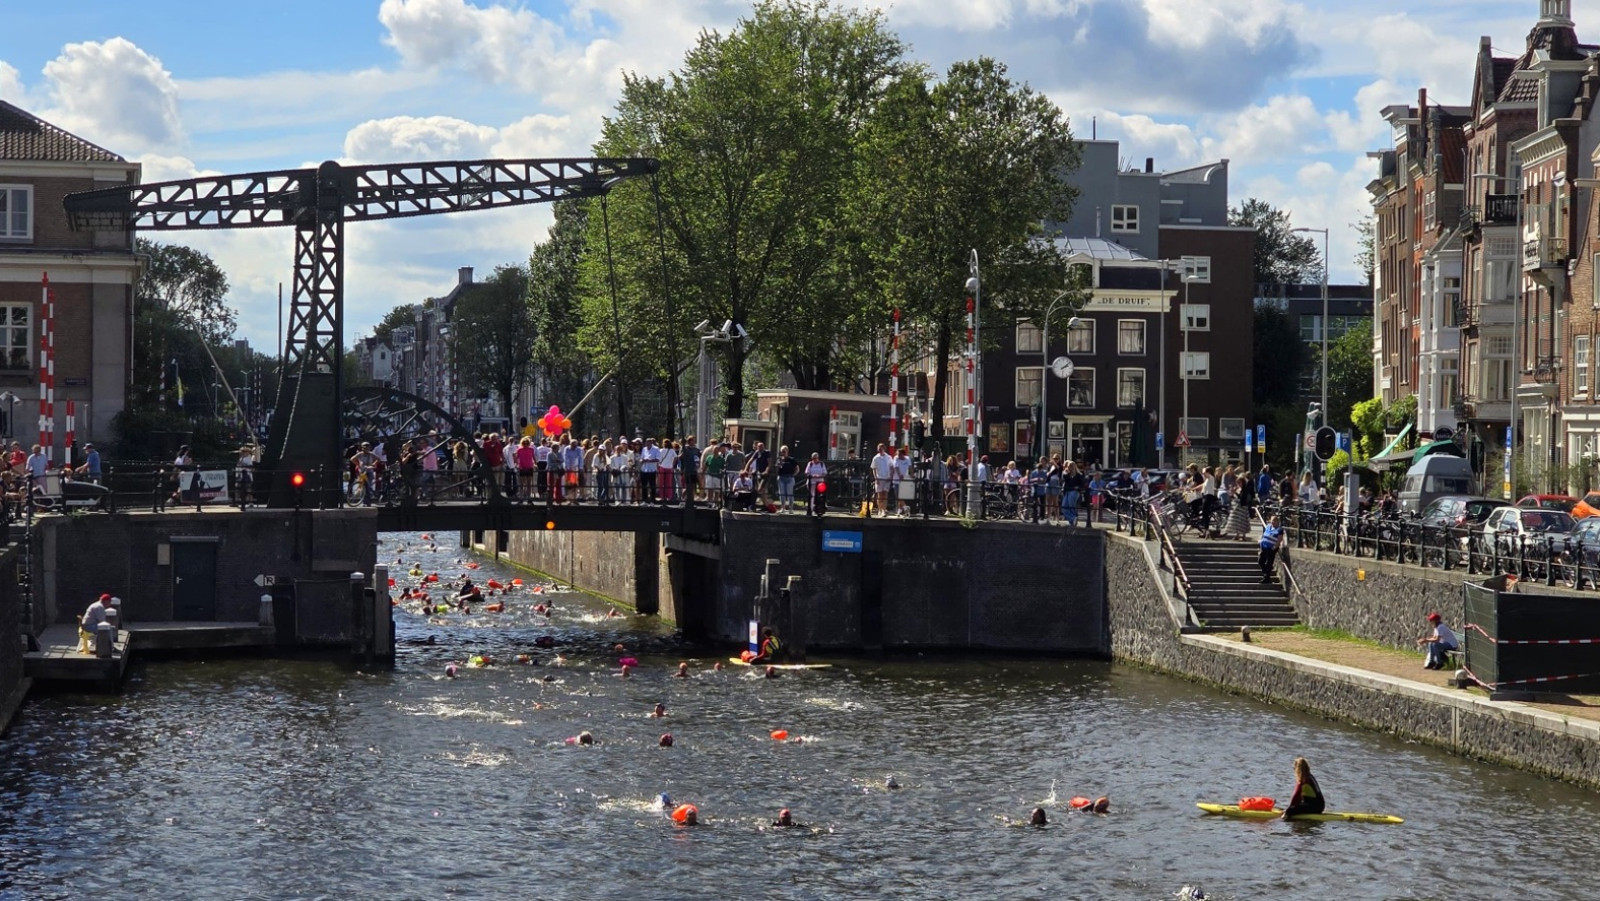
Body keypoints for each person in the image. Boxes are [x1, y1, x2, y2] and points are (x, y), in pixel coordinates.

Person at [1258, 514, 1284, 584]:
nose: (1273, 522)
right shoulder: (1268, 526)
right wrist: (1261, 545)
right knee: (1260, 561)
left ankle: (1266, 578)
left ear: (1278, 522)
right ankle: (1266, 574)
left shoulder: (1279, 529)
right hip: (1264, 547)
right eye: (1272, 521)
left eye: (1275, 521)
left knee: (1269, 563)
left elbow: (1279, 539)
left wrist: (1274, 547)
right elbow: (1264, 535)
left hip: (1271, 548)